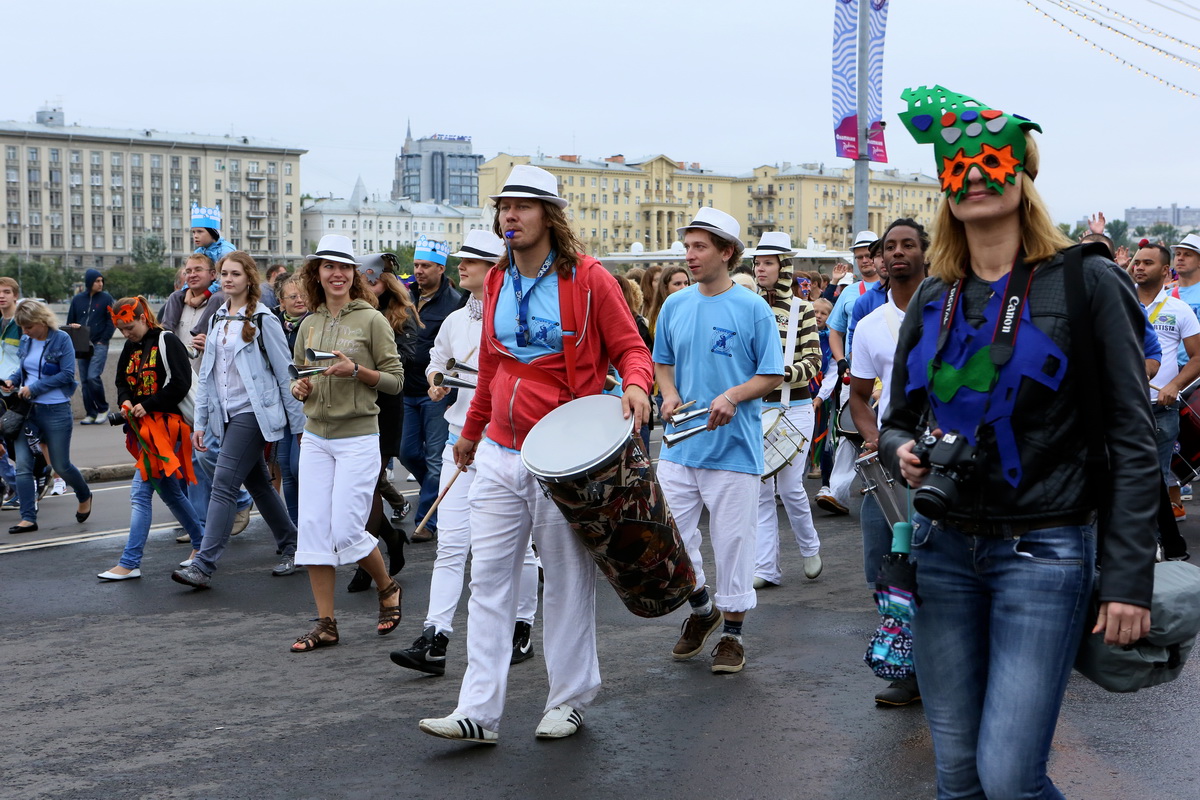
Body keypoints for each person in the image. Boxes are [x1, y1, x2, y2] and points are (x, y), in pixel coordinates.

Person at [882, 85, 1156, 798]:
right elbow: (894, 421)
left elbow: (1132, 435)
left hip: (1045, 551)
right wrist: (900, 452)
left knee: (1008, 779)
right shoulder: (935, 297)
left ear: (1022, 173)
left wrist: (1127, 579)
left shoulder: (1088, 281)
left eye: (989, 159)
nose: (972, 174)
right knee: (958, 778)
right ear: (943, 185)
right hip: (941, 553)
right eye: (956, 164)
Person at [418, 164, 652, 744]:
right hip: (498, 449)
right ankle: (479, 711)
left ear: (550, 216)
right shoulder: (497, 279)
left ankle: (568, 699)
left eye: (522, 207)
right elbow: (493, 365)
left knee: (568, 580)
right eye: (503, 207)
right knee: (489, 578)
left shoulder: (589, 278)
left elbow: (630, 348)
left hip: (564, 457)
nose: (509, 216)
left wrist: (637, 386)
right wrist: (471, 432)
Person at [390, 230, 542, 675]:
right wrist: (438, 381)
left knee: (523, 550)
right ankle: (434, 637)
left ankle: (522, 625)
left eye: (473, 260)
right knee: (452, 546)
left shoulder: (519, 316)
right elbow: (437, 359)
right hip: (464, 442)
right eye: (463, 259)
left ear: (496, 267)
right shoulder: (456, 319)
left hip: (512, 446)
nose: (463, 266)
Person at [654, 207, 784, 675]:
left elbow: (771, 373)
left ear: (726, 253)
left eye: (699, 247)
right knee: (668, 540)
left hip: (733, 449)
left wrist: (732, 395)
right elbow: (661, 363)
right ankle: (703, 608)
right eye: (687, 246)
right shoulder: (675, 305)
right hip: (679, 444)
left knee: (733, 544)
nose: (689, 255)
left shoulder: (752, 308)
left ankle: (732, 635)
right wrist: (667, 394)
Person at [286, 234, 405, 652]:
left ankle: (387, 586)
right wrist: (300, 387)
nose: (336, 273)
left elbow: (395, 381)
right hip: (316, 437)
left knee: (348, 528)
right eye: (328, 266)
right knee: (315, 532)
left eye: (344, 267)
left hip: (358, 438)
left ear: (355, 274)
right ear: (316, 273)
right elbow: (301, 375)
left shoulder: (372, 320)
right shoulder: (309, 324)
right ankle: (326, 623)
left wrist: (355, 370)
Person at [171, 251, 304, 588]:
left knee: (224, 484)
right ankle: (294, 543)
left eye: (235, 274)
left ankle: (203, 563)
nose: (228, 279)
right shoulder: (217, 319)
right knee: (259, 484)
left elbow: (285, 372)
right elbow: (208, 377)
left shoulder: (263, 319)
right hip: (224, 415)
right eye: (224, 274)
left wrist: (299, 426)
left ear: (249, 278)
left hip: (253, 414)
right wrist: (200, 422)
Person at [848, 218, 929, 707]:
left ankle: (928, 668)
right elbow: (859, 396)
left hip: (940, 460)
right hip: (887, 462)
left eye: (907, 245)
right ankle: (906, 660)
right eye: (889, 247)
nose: (897, 253)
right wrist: (876, 437)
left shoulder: (949, 309)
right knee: (883, 563)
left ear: (925, 252)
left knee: (937, 566)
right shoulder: (869, 325)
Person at [97, 297, 205, 581]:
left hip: (168, 427)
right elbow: (121, 382)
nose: (126, 334)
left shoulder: (167, 340)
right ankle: (203, 543)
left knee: (140, 494)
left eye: (129, 327)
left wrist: (149, 403)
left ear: (144, 318)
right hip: (145, 428)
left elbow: (180, 382)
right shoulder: (131, 346)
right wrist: (126, 402)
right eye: (121, 330)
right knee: (170, 492)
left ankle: (130, 561)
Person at [747, 231, 823, 589]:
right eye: (758, 263)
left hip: (795, 408)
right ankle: (766, 568)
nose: (761, 269)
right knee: (761, 490)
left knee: (791, 487)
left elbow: (813, 362)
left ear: (784, 267)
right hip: (757, 410)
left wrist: (775, 375)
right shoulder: (747, 305)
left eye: (768, 262)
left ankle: (810, 548)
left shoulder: (802, 308)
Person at [161, 253, 253, 544]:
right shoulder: (176, 302)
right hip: (179, 390)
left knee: (200, 455)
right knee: (187, 457)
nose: (191, 274)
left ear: (213, 275)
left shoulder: (219, 306)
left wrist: (206, 342)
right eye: (187, 270)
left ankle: (217, 514)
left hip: (209, 389)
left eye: (198, 270)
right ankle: (205, 519)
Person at [344, 251, 417, 590]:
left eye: (373, 280)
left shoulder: (401, 313)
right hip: (354, 405)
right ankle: (389, 536)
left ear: (386, 280)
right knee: (358, 490)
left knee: (370, 486)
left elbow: (407, 358)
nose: (368, 286)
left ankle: (366, 563)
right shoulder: (349, 312)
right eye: (363, 280)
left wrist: (371, 358)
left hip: (386, 406)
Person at [3, 300, 92, 534]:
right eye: (22, 327)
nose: (25, 332)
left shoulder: (61, 339)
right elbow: (24, 368)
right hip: (28, 411)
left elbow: (66, 374)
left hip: (55, 410)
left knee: (60, 465)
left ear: (41, 322)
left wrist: (35, 388)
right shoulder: (26, 339)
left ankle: (84, 494)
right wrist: (14, 379)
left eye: (28, 327)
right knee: (22, 465)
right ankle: (28, 518)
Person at [400, 235, 465, 543]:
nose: (419, 271)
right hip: (406, 389)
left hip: (437, 392)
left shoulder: (456, 302)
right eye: (416, 265)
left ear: (441, 268)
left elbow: (453, 352)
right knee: (407, 452)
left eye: (426, 265)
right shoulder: (404, 296)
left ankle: (427, 520)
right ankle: (438, 491)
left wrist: (447, 385)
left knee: (437, 458)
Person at [1130, 243, 1200, 520]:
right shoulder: (1118, 303)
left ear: (1164, 270)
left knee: (1157, 475)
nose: (1139, 267)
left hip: (1162, 407)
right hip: (1123, 405)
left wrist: (1175, 386)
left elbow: (1197, 358)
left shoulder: (1180, 309)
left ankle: (1154, 539)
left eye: (1147, 263)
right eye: (1136, 262)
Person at [272, 274, 307, 524]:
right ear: (281, 302)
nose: (299, 300)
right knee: (285, 468)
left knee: (298, 468)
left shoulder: (313, 323)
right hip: (281, 407)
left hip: (304, 405)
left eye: (303, 295)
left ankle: (311, 527)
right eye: (292, 296)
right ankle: (295, 530)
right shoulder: (273, 325)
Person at [66, 268, 115, 425]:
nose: (100, 284)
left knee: (93, 376)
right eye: (97, 281)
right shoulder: (77, 299)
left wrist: (104, 339)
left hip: (99, 343)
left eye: (101, 281)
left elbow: (111, 320)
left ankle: (103, 408)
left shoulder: (106, 298)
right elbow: (70, 319)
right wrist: (73, 326)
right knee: (85, 381)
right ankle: (91, 413)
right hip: (82, 342)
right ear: (89, 282)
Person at [0, 277, 22, 503]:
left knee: (19, 444)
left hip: (16, 391)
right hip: (1, 390)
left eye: (6, 292)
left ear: (15, 295)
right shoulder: (0, 322)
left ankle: (27, 484)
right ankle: (13, 485)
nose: (2, 296)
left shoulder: (21, 322)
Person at [645, 265, 692, 338]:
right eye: (677, 284)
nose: (683, 287)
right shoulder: (658, 315)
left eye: (686, 283)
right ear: (665, 288)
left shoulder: (694, 310)